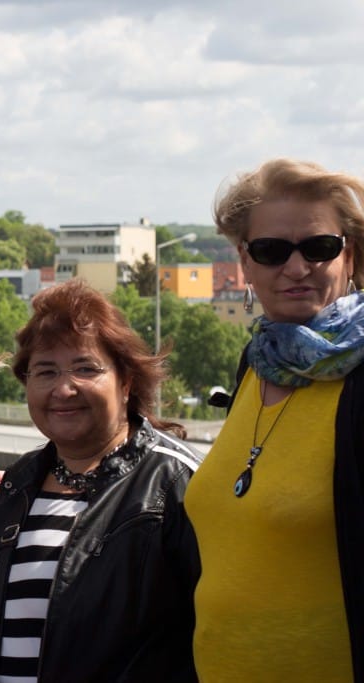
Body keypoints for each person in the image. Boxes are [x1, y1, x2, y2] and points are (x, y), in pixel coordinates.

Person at [0, 278, 202, 682]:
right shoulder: (20, 482)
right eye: (45, 371)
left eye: (85, 368)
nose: (63, 389)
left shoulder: (174, 483)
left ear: (126, 381)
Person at [185, 158, 364, 681]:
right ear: (244, 261)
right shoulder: (256, 364)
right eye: (271, 251)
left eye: (318, 247)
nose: (296, 267)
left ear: (348, 254)